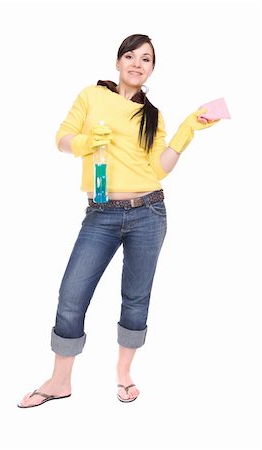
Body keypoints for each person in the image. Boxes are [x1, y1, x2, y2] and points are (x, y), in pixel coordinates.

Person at [18, 34, 218, 408]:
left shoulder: (152, 116)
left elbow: (159, 168)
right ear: (118, 61)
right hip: (101, 212)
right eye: (131, 56)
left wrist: (187, 130)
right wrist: (85, 143)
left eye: (146, 59)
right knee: (72, 294)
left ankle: (124, 374)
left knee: (136, 298)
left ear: (151, 69)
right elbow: (61, 137)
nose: (137, 64)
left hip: (149, 211)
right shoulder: (91, 96)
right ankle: (60, 381)